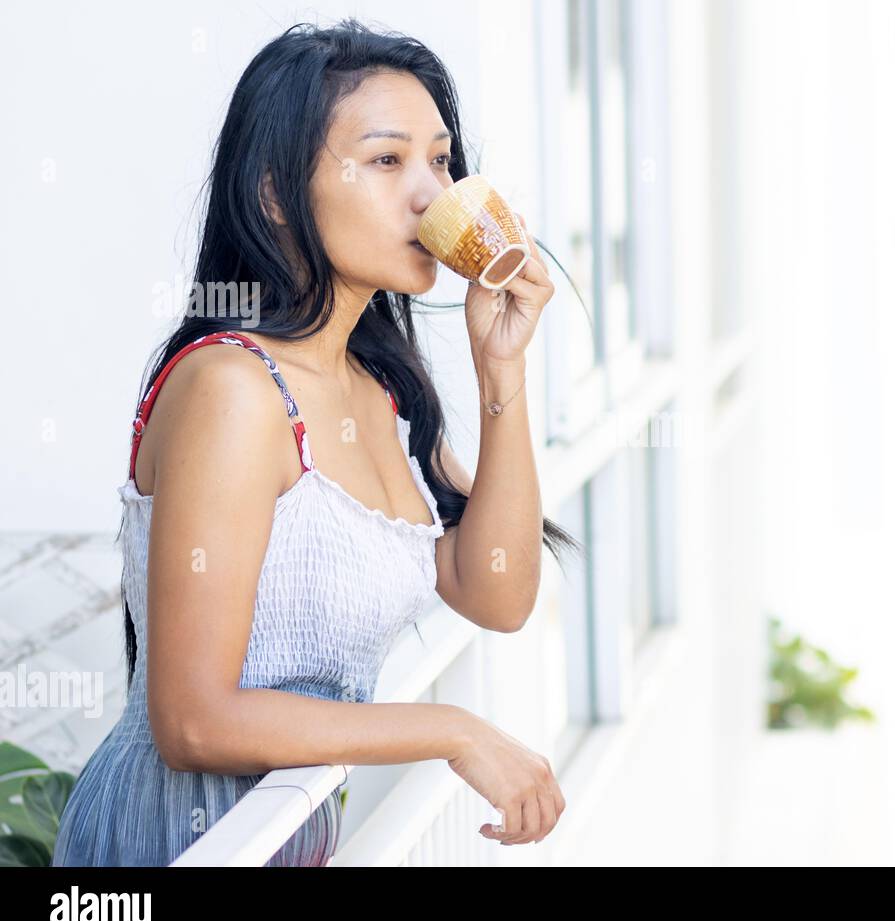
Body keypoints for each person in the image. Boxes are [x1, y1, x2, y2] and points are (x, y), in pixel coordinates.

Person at [51, 18, 577, 866]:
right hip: (174, 845)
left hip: (286, 837)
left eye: (441, 160)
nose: (431, 195)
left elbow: (500, 595)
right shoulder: (232, 387)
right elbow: (192, 722)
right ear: (273, 196)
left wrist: (500, 374)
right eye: (386, 160)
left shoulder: (383, 388)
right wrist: (451, 731)